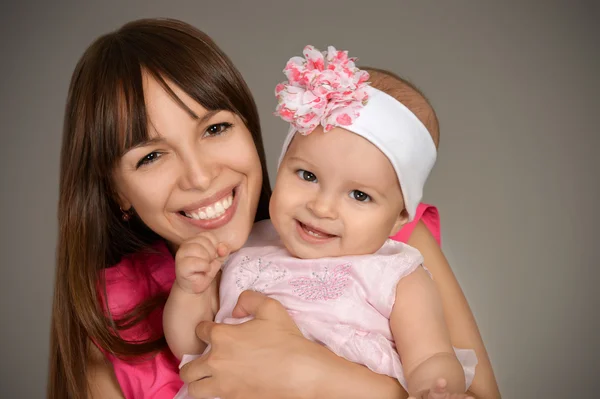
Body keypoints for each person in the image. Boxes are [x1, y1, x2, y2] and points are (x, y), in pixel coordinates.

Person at [47, 18, 500, 399]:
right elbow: (191, 337)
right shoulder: (114, 321)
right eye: (150, 156)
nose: (200, 176)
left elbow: (447, 376)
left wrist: (314, 376)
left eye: (215, 128)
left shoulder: (389, 246)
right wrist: (190, 287)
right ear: (115, 192)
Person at [167, 45, 477, 399]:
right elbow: (192, 344)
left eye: (359, 195)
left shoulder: (397, 273)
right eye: (307, 175)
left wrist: (435, 383)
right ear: (281, 165)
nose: (323, 207)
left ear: (399, 217)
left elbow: (431, 353)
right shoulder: (246, 248)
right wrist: (189, 290)